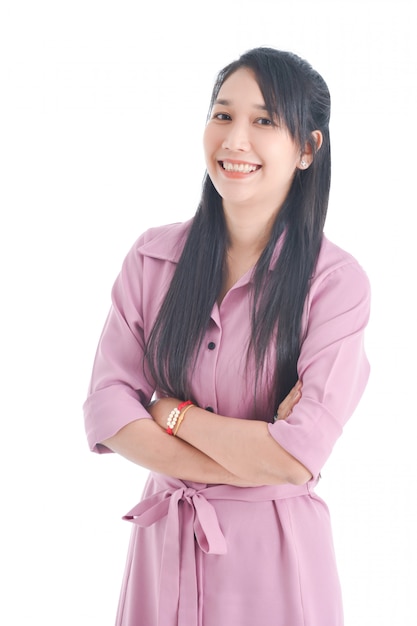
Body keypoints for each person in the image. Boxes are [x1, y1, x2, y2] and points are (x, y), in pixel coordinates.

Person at [83, 46, 371, 626]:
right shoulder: (152, 258)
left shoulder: (336, 284)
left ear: (309, 147)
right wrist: (256, 450)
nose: (235, 140)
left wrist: (170, 413)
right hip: (163, 551)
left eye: (264, 121)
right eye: (223, 115)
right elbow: (108, 410)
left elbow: (298, 454)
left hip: (275, 560)